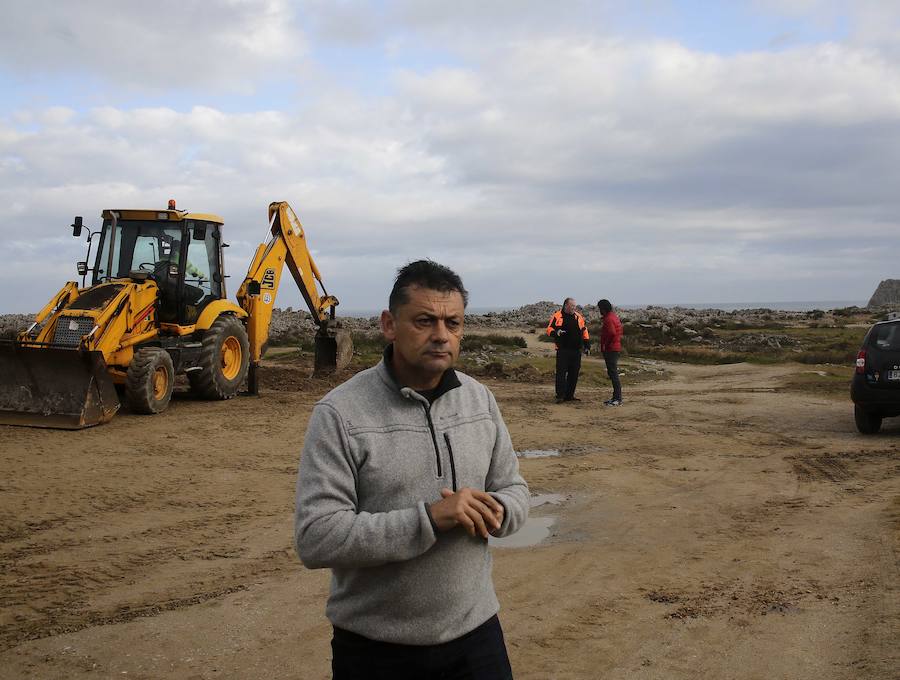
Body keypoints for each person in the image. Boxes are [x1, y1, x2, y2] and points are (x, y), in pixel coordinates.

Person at [294, 259, 530, 680]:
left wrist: (497, 511)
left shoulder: (480, 401)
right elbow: (317, 538)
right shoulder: (340, 413)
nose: (441, 335)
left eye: (453, 323)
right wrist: (429, 520)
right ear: (389, 324)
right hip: (375, 649)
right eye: (425, 320)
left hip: (477, 639)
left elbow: (514, 489)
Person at [546, 298, 590, 403]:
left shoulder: (578, 317)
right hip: (563, 350)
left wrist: (587, 345)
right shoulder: (557, 316)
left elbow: (584, 331)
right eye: (572, 306)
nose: (574, 308)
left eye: (575, 306)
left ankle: (570, 395)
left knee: (574, 374)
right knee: (561, 374)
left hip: (576, 351)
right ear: (566, 305)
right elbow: (549, 329)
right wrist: (556, 332)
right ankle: (560, 395)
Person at [598, 298, 624, 406]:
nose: (599, 310)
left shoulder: (608, 319)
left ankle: (617, 398)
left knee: (613, 373)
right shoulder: (613, 316)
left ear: (603, 309)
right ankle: (616, 397)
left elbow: (612, 333)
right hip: (614, 348)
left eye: (599, 308)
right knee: (613, 373)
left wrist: (605, 345)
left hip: (611, 349)